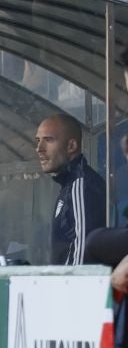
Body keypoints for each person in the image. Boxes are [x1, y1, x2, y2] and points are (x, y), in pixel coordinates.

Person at [36, 112, 103, 265]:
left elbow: (81, 255)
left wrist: (65, 287)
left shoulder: (80, 185)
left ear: (71, 146)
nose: (39, 148)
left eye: (48, 140)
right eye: (38, 141)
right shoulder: (70, 184)